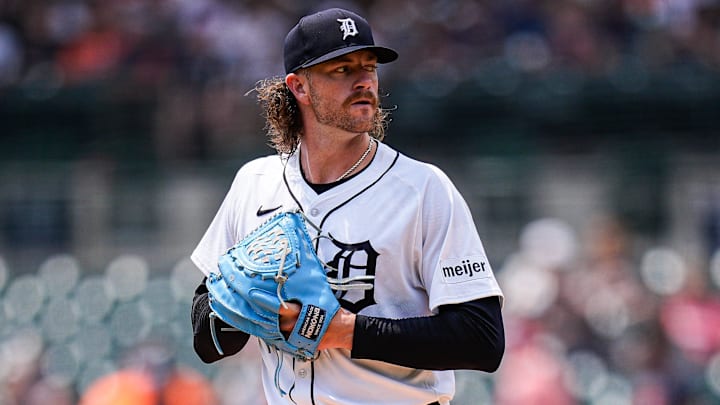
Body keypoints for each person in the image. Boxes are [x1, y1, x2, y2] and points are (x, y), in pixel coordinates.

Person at [190, 7, 504, 405]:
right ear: (299, 87)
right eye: (341, 69)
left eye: (368, 67)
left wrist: (344, 330)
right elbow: (208, 341)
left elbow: (482, 341)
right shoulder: (255, 184)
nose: (363, 81)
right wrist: (248, 308)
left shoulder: (423, 189)